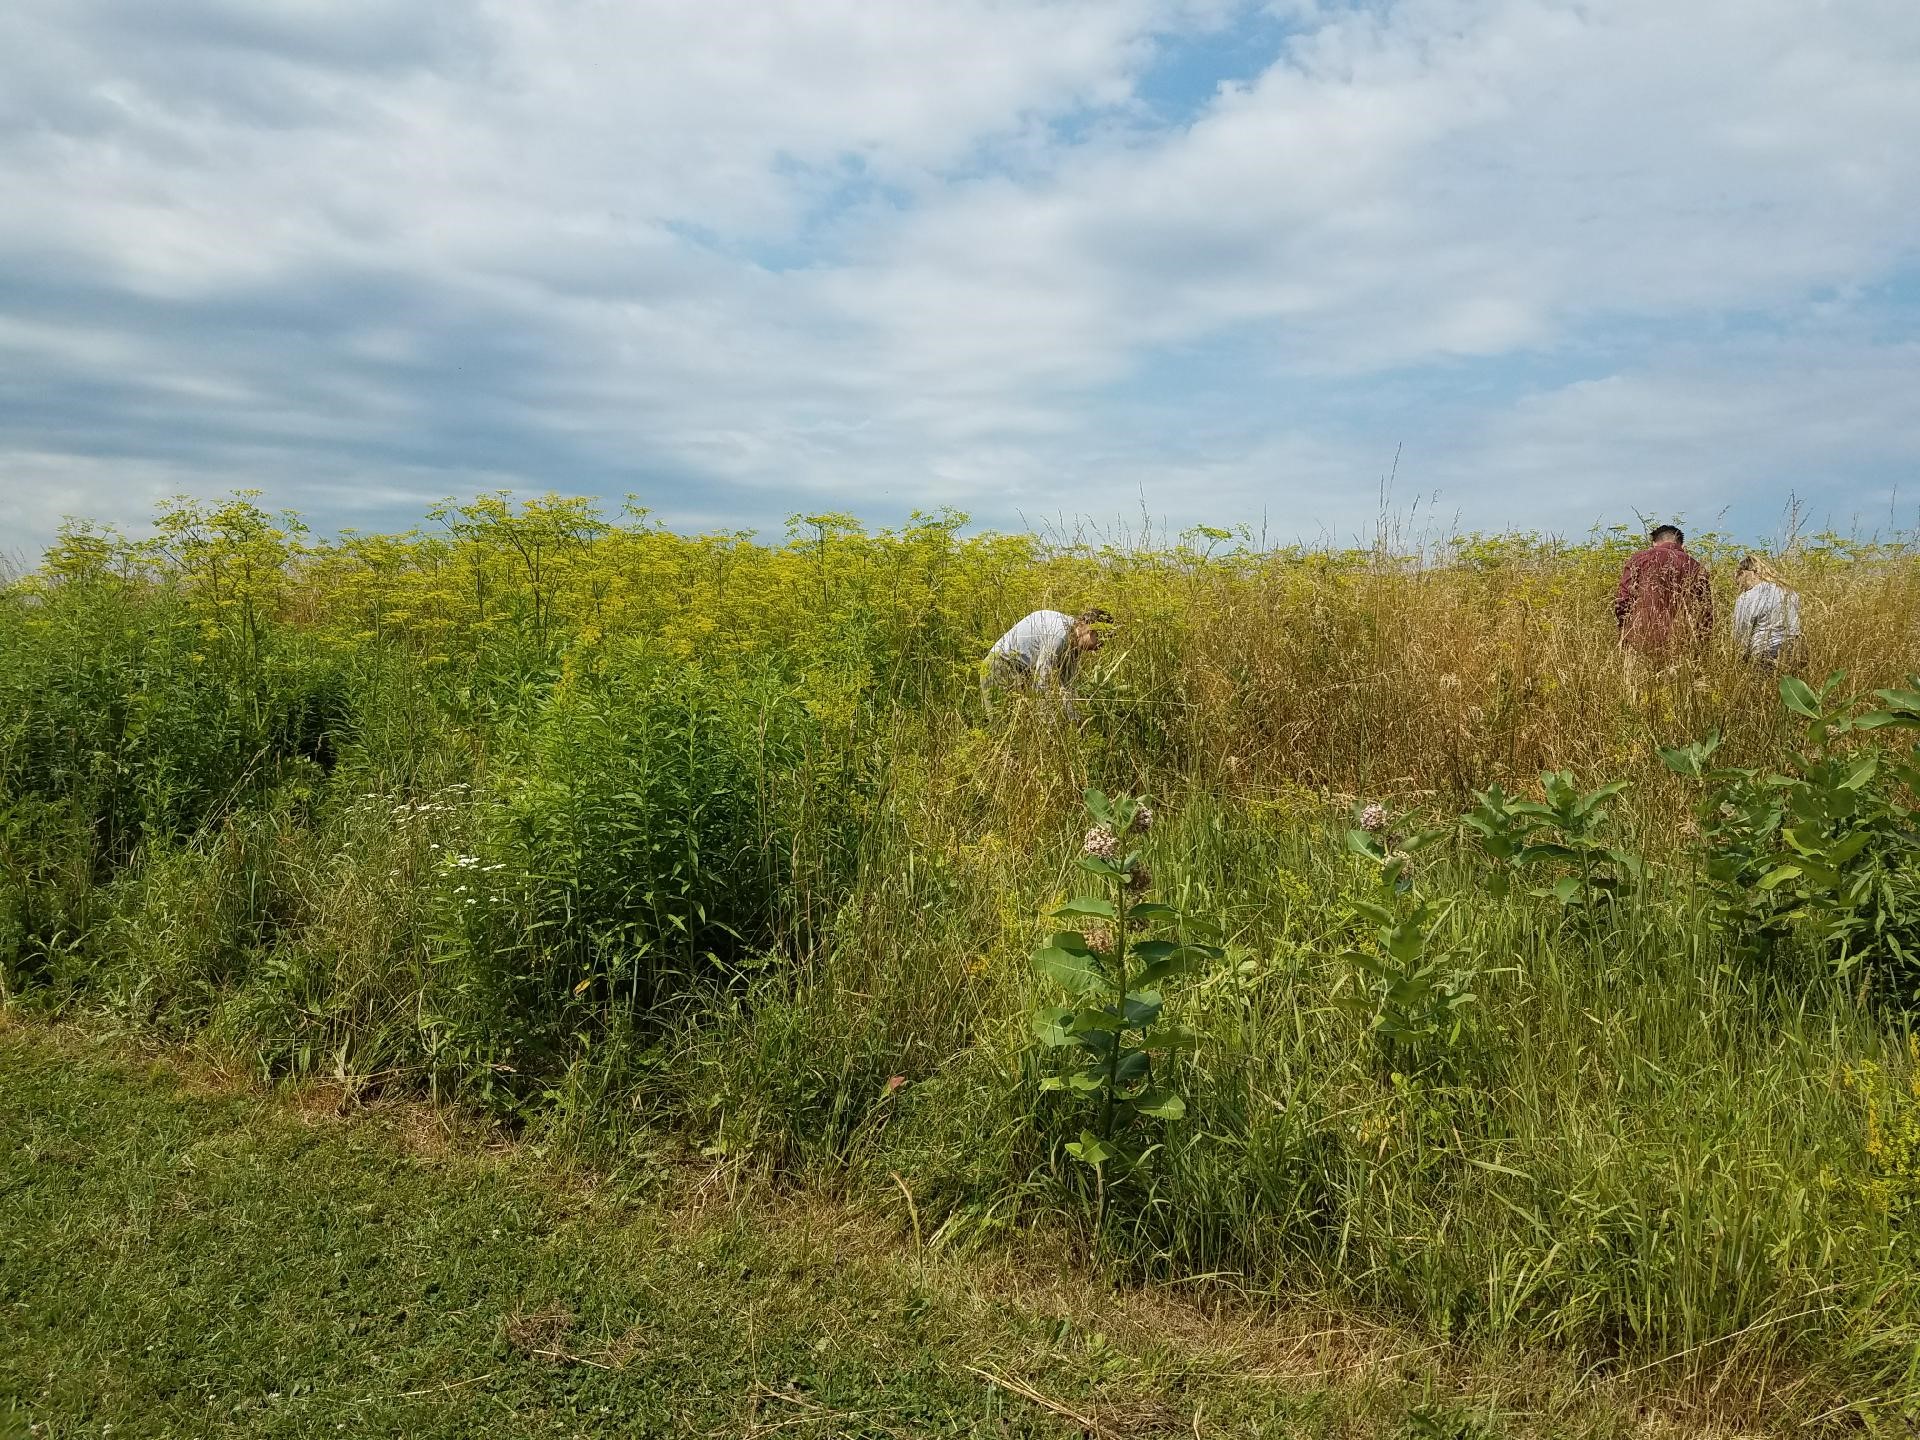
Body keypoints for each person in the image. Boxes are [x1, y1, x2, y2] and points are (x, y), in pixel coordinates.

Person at [981, 607, 1112, 720]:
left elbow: (1068, 687)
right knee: (1002, 728)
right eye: (1100, 639)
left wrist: (1076, 720)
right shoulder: (1059, 636)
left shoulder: (1073, 642)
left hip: (1022, 672)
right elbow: (1041, 684)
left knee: (1021, 729)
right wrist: (1048, 726)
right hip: (1000, 666)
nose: (1100, 646)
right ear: (1090, 630)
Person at [1613, 523, 1711, 657]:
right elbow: (1705, 613)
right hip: (1684, 648)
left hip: (1641, 642)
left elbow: (1623, 602)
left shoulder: (1639, 559)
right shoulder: (1697, 567)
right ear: (1682, 545)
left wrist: (1626, 632)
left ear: (1654, 543)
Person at [1731, 553, 1802, 669]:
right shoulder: (1789, 592)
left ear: (1743, 573)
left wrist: (1740, 660)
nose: (1739, 587)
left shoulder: (1747, 597)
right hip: (1795, 651)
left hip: (1765, 655)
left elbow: (1741, 633)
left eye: (1738, 582)